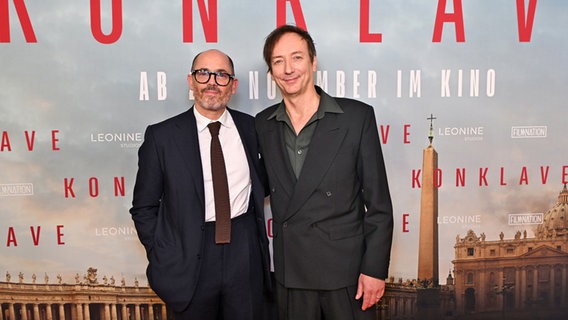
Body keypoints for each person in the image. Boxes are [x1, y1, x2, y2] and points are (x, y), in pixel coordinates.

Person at [255, 25, 394, 320]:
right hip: (290, 274)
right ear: (271, 71)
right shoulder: (263, 123)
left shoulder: (356, 118)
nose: (288, 69)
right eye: (278, 61)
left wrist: (374, 269)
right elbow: (258, 186)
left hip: (345, 274)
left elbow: (379, 205)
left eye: (297, 58)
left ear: (313, 62)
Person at [130, 49, 272, 320]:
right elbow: (144, 208)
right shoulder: (161, 137)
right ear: (191, 80)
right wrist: (163, 253)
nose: (211, 82)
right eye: (203, 73)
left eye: (221, 75)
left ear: (233, 85)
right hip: (188, 258)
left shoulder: (254, 129)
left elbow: (264, 183)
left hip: (245, 253)